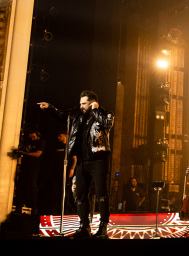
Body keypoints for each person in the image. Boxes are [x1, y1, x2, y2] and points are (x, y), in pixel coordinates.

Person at [39, 90, 114, 238]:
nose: (81, 106)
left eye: (84, 103)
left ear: (92, 102)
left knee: (101, 194)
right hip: (81, 160)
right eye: (80, 103)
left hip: (98, 159)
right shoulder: (78, 115)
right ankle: (83, 226)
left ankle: (103, 227)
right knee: (80, 194)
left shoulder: (105, 114)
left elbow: (107, 124)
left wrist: (96, 110)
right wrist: (50, 107)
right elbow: (63, 115)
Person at [12, 130, 45, 214]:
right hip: (25, 167)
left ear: (38, 136)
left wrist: (24, 153)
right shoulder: (27, 142)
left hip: (33, 168)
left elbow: (37, 154)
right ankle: (19, 206)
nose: (32, 139)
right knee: (20, 186)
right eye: (31, 137)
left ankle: (34, 207)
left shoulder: (41, 142)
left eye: (34, 137)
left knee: (32, 187)